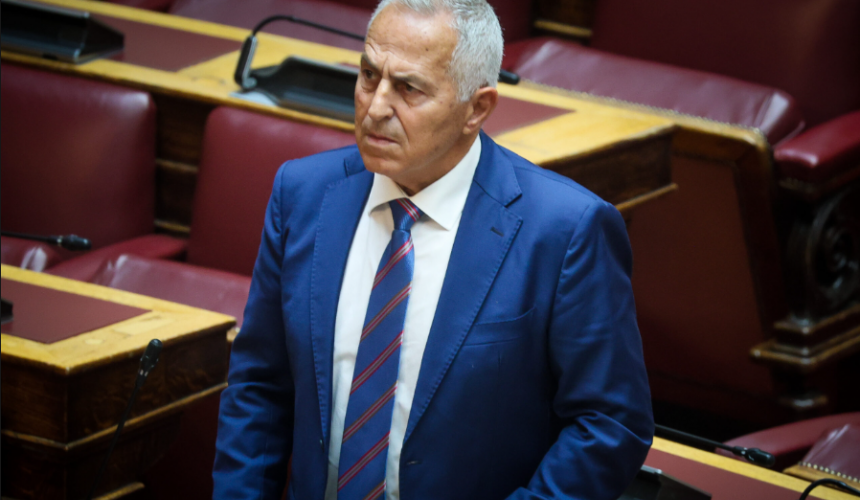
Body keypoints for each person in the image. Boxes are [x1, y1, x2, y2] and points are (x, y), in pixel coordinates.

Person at [212, 0, 654, 498]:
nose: (376, 107)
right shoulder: (303, 194)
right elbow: (259, 387)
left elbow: (609, 424)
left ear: (477, 108)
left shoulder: (565, 231)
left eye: (409, 88)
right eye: (368, 75)